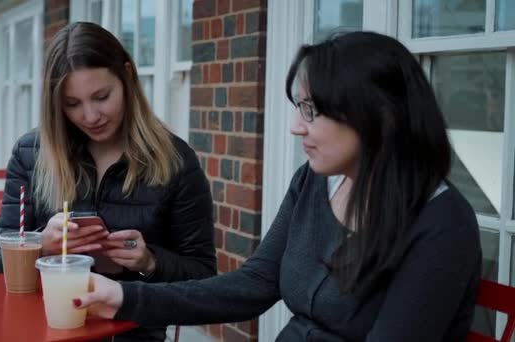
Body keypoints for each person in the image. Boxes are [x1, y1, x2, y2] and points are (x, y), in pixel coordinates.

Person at [71, 31, 482, 341]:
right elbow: (254, 285)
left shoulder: (442, 226)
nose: (295, 126)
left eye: (312, 110)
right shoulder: (314, 183)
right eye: (297, 108)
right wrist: (126, 297)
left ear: (379, 116)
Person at [0, 22, 217, 341]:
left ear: (127, 76)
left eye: (101, 96)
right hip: (45, 330)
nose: (90, 116)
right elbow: (0, 259)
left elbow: (203, 276)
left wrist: (150, 261)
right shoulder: (31, 154)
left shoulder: (175, 160)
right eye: (72, 104)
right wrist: (40, 244)